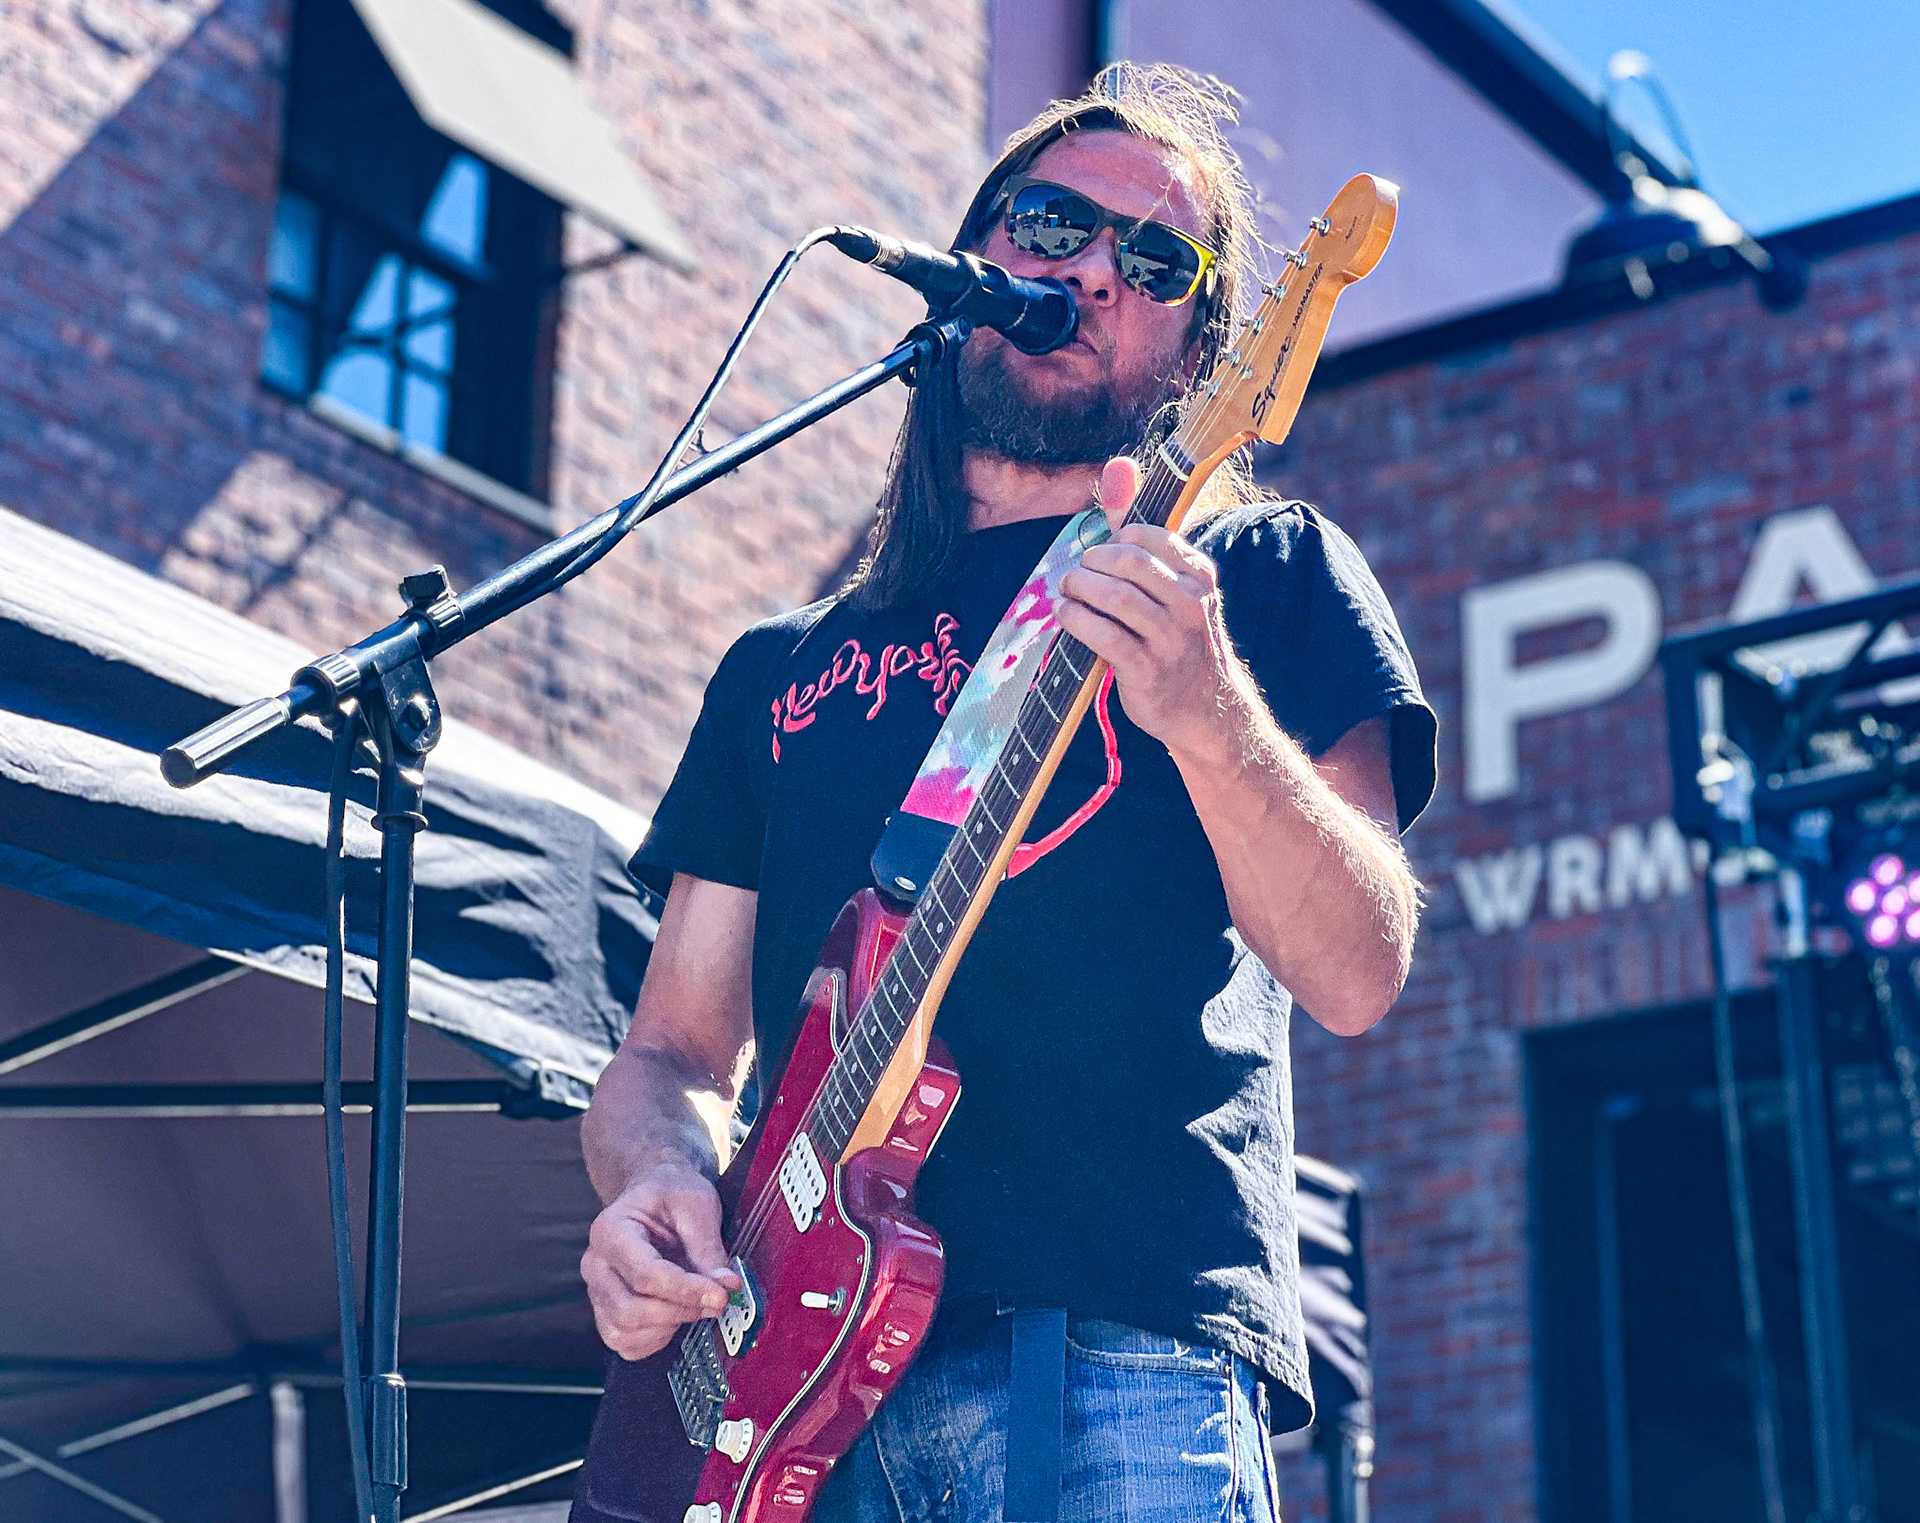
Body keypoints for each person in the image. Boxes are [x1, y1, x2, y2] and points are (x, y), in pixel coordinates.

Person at [571, 64, 1435, 1523]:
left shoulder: (1258, 576)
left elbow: (1360, 970)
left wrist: (1210, 714)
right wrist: (657, 1178)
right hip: (786, 1396)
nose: (1093, 272)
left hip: (1119, 1364)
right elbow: (672, 1051)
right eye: (1051, 225)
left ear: (1207, 352)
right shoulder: (783, 665)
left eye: (1156, 264)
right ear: (971, 264)